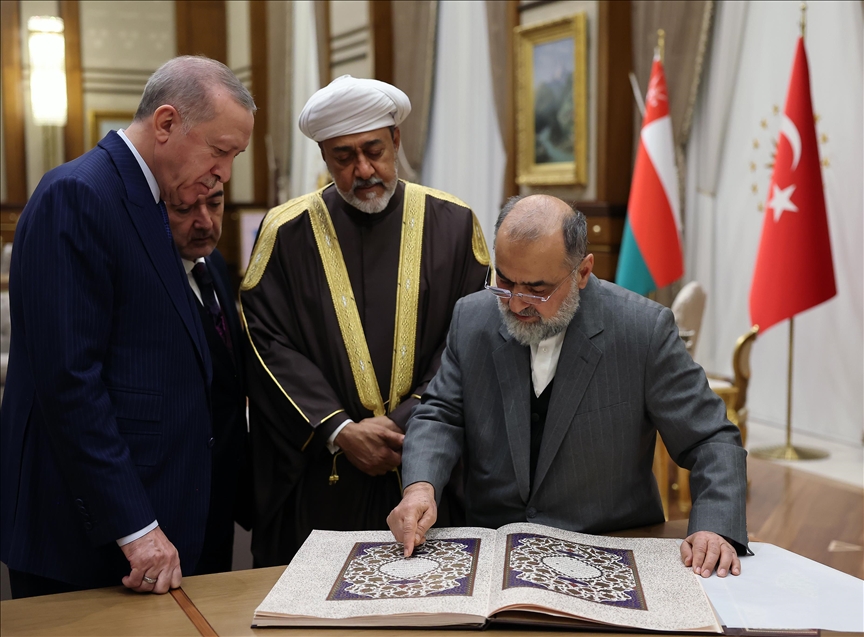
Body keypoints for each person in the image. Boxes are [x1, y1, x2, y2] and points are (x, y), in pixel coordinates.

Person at [388, 194, 749, 579]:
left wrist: (713, 526)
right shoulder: (471, 318)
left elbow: (711, 439)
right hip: (494, 549)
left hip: (608, 550)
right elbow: (440, 415)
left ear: (582, 271)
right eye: (505, 282)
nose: (516, 304)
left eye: (537, 289)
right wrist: (420, 487)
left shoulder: (642, 331)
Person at [0, 56, 255, 598]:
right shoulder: (78, 194)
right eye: (220, 150)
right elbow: (70, 384)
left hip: (148, 523)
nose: (225, 172)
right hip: (88, 541)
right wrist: (136, 528)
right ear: (166, 124)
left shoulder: (149, 199)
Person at [240, 75, 489, 566]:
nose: (363, 169)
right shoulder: (285, 233)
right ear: (324, 156)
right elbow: (265, 342)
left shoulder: (454, 223)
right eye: (343, 157)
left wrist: (407, 423)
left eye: (374, 150)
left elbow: (470, 338)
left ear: (395, 139)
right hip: (325, 472)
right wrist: (339, 429)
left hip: (426, 464)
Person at [165, 185, 250, 574]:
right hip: (176, 495)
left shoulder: (212, 263)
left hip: (221, 487)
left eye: (214, 204)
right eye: (184, 209)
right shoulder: (153, 276)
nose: (204, 221)